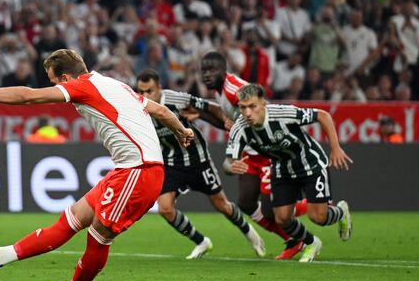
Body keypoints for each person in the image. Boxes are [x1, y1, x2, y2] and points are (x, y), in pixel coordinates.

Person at [0, 49, 194, 281]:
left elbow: (27, 96)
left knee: (99, 235)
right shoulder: (115, 85)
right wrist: (182, 131)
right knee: (72, 219)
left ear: (66, 79)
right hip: (126, 170)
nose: (54, 88)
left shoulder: (82, 87)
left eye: (54, 82)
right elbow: (163, 112)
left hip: (139, 172)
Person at [135, 69, 264, 259]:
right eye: (141, 91)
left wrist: (225, 121)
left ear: (159, 88)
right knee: (165, 209)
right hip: (171, 162)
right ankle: (202, 242)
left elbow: (209, 106)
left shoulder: (176, 100)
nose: (145, 96)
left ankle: (250, 233)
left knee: (221, 204)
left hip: (198, 160)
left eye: (149, 91)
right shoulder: (138, 107)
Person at [225, 84, 353, 262]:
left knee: (318, 217)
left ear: (263, 103)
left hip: (310, 164)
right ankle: (311, 242)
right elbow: (228, 161)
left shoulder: (283, 113)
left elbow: (323, 115)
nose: (247, 113)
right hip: (282, 169)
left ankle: (340, 211)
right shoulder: (239, 128)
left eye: (252, 106)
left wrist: (335, 148)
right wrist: (231, 166)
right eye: (242, 107)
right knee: (282, 218)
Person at [201, 51, 309, 260]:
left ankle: (319, 205)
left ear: (224, 70)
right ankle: (293, 239)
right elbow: (231, 120)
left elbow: (259, 106)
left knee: (272, 211)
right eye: (204, 70)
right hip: (250, 153)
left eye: (212, 70)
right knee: (246, 203)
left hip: (267, 151)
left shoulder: (233, 89)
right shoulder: (219, 91)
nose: (207, 74)